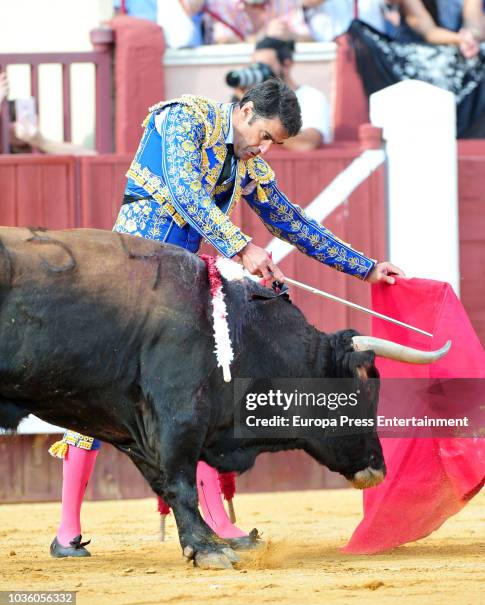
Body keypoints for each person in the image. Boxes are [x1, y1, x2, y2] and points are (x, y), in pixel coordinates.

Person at [50, 78, 404, 557]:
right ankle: (67, 530)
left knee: (197, 392)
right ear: (246, 110)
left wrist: (366, 268)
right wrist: (240, 246)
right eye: (264, 136)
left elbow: (291, 221)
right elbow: (184, 190)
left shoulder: (245, 161)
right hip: (128, 273)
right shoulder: (183, 117)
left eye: (273, 144)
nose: (264, 149)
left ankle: (214, 520)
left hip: (179, 283)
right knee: (96, 388)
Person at [348, 0, 485, 137]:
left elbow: (473, 19)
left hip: (455, 52)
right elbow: (428, 31)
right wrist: (460, 40)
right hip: (416, 55)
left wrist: (472, 36)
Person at [246, 36, 331, 147]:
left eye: (264, 67)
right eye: (254, 67)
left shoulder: (311, 97)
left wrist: (260, 120)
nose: (258, 73)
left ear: (286, 64)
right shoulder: (251, 99)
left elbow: (307, 144)